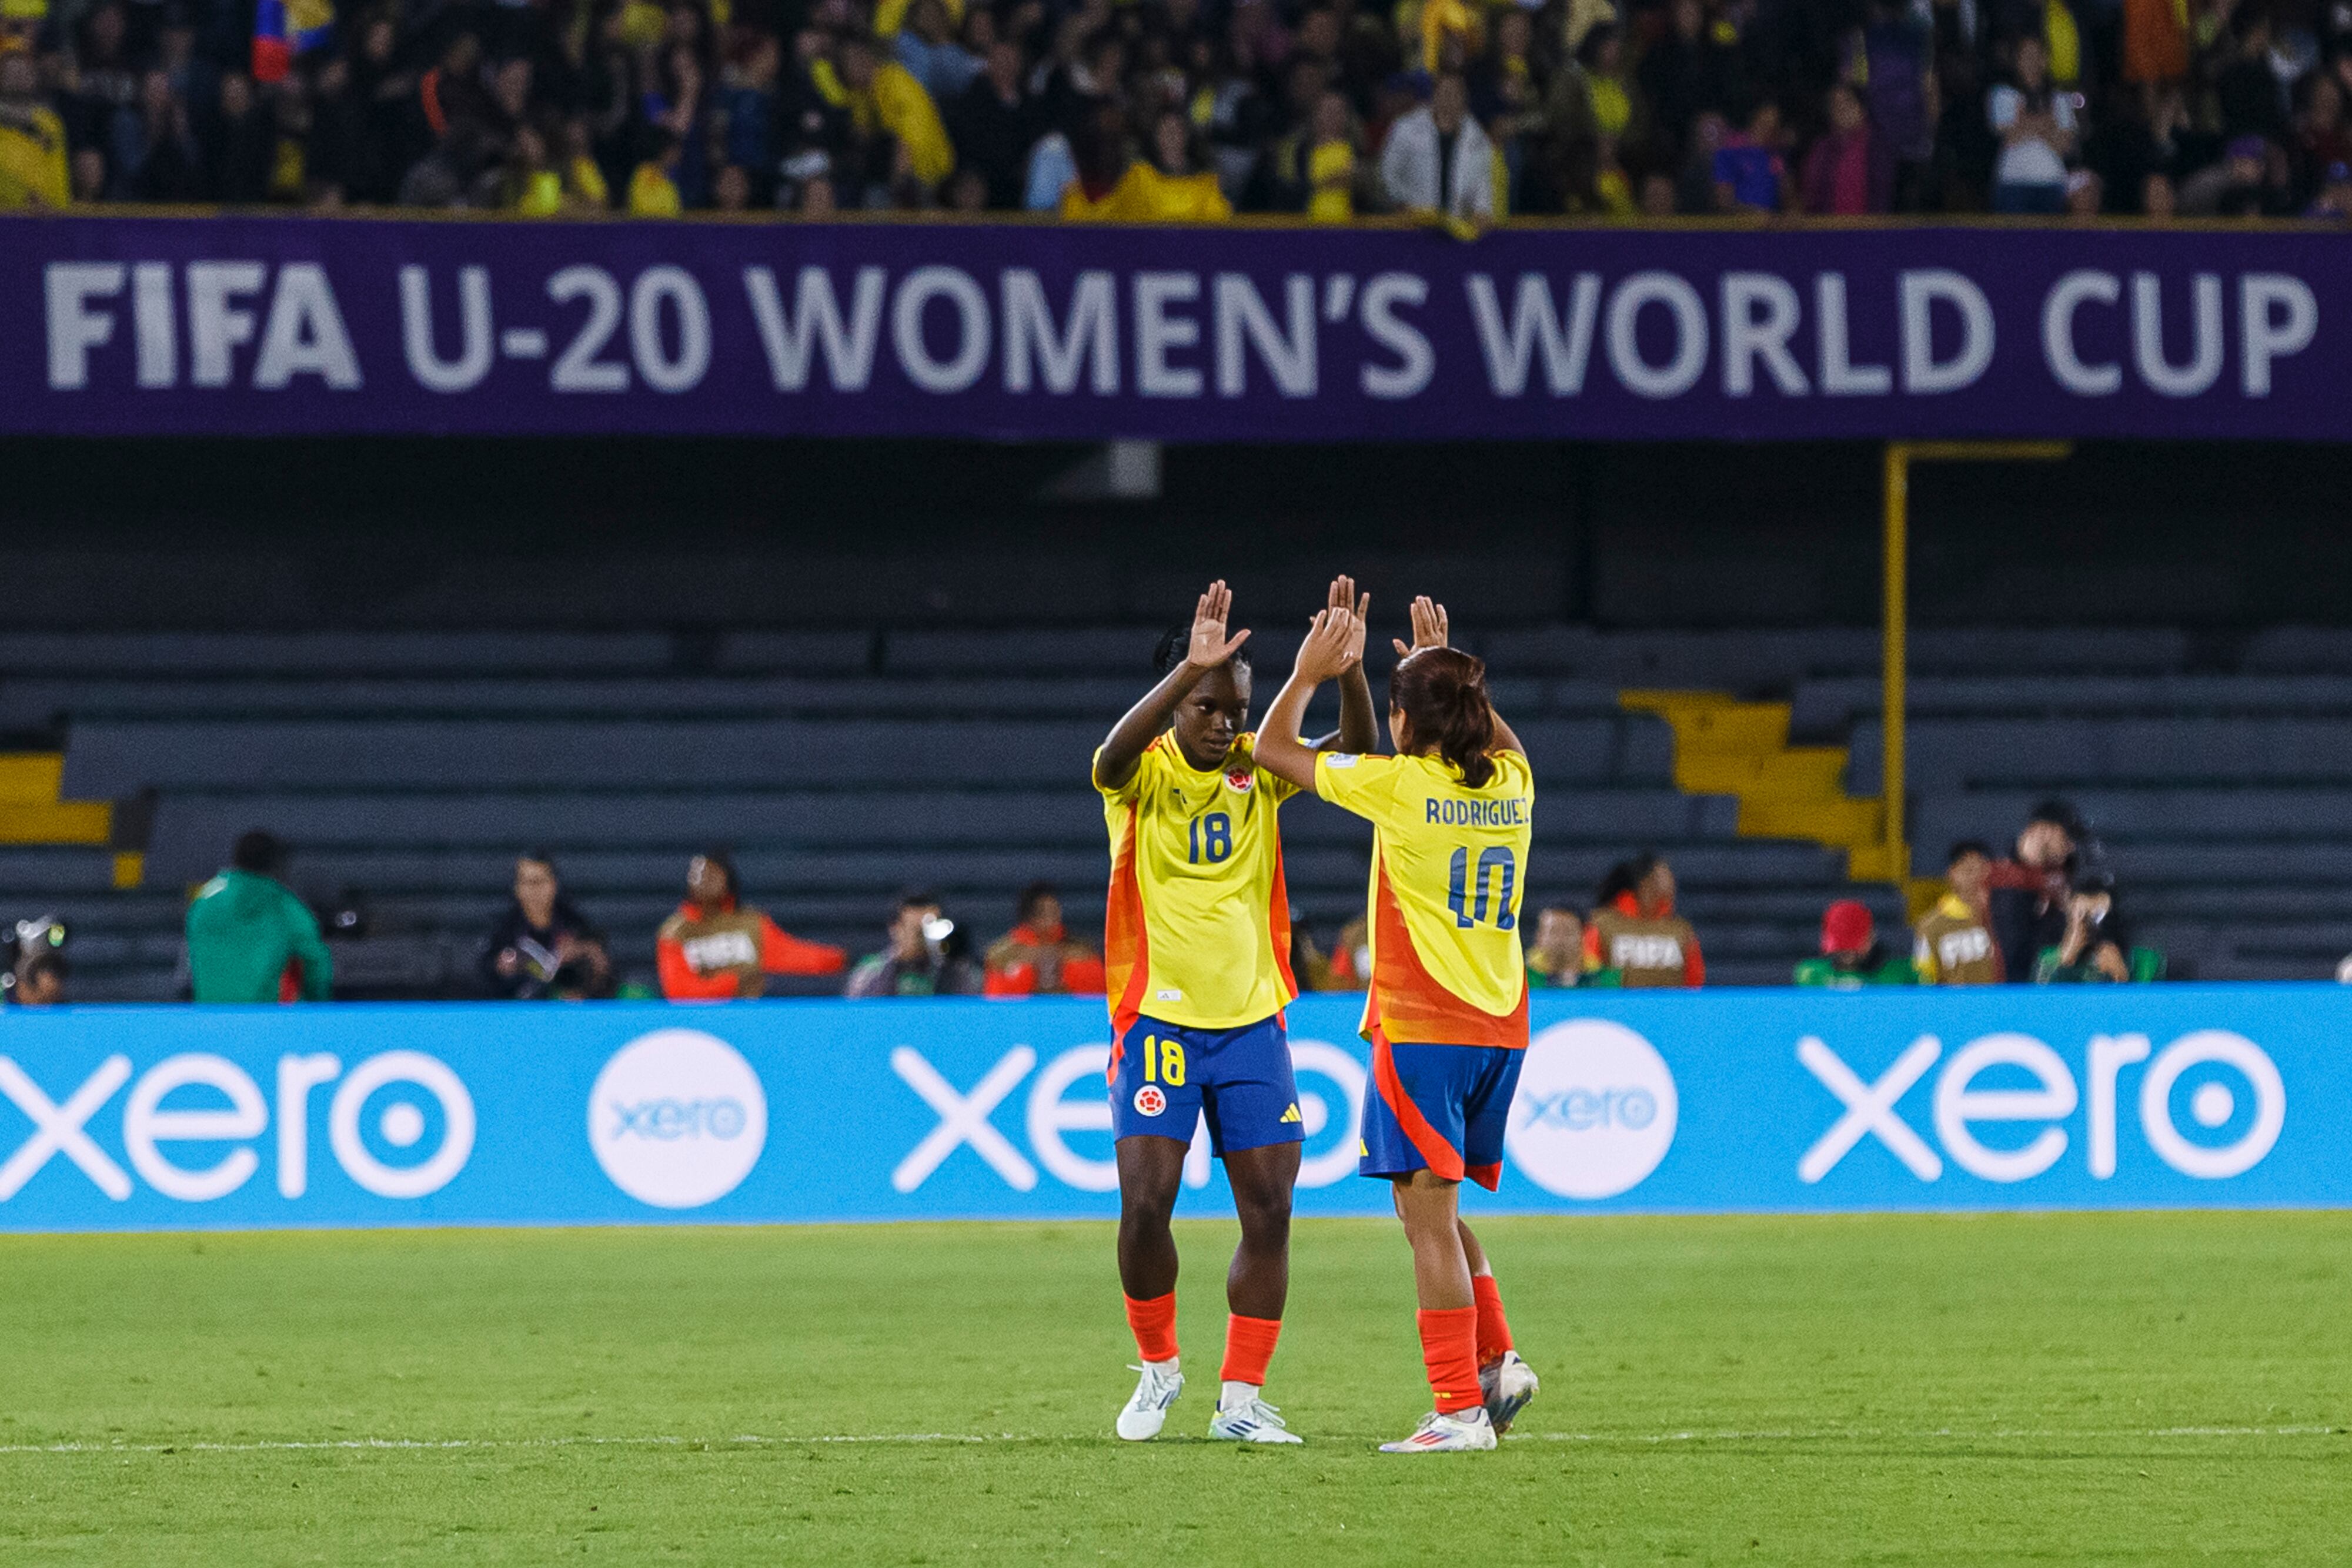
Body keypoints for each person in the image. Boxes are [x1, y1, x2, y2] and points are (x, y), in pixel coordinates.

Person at [1092, 576, 1377, 1446]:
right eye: (1210, 705)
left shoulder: (1261, 767)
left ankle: (1241, 1398)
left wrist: (1351, 674)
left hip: (1254, 1024)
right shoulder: (1142, 774)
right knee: (1147, 1203)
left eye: (1236, 708)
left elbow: (1362, 756)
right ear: (1181, 699)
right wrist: (1186, 670)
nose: (1225, 723)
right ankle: (1158, 1366)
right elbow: (1106, 757)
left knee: (1272, 1209)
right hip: (1159, 1023)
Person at [1254, 594, 1539, 1455]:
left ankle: (1458, 1408)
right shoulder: (1514, 786)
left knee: (1424, 1218)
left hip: (1425, 1025)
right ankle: (1496, 1362)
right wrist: (1447, 666)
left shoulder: (1401, 785)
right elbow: (1504, 743)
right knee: (1440, 1211)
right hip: (1500, 1022)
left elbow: (1272, 752)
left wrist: (1310, 671)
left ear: (1410, 717)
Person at [655, 850, 845, 999]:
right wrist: (737, 982)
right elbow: (680, 991)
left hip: (752, 1015)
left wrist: (840, 957)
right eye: (697, 875)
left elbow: (794, 956)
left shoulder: (749, 922)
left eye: (712, 874)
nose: (704, 881)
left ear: (728, 879)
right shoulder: (675, 932)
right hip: (702, 1023)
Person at [186, 830, 333, 1003]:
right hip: (267, 1021)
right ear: (278, 864)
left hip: (211, 1020)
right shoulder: (285, 906)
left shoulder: (204, 901)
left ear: (236, 859)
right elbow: (316, 961)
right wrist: (318, 1007)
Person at [480, 852, 612, 999]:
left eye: (540, 881)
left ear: (554, 884)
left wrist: (588, 956)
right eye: (527, 882)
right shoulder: (502, 931)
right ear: (517, 888)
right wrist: (502, 970)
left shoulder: (576, 925)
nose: (534, 890)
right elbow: (486, 979)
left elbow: (604, 974)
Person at [1381, 73, 1495, 220]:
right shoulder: (1406, 128)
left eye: (1456, 94)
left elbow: (1482, 182)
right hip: (1414, 222)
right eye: (1445, 92)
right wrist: (1402, 203)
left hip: (1457, 225)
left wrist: (1482, 211)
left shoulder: (1477, 137)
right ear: (1434, 95)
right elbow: (1388, 172)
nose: (1449, 99)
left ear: (1464, 99)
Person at [1989, 801, 2079, 984]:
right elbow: (2014, 954)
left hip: (2058, 982)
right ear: (2042, 832)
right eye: (2066, 836)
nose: (2071, 846)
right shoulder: (2006, 878)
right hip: (2019, 990)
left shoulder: (2066, 873)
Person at [1584, 854, 1702, 987]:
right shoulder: (1603, 924)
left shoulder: (1680, 929)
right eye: (1665, 874)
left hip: (1669, 1006)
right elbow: (1590, 969)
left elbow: (1694, 978)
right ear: (1646, 881)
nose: (1673, 881)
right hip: (1619, 1005)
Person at [846, 891, 981, 997]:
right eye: (917, 931)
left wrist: (951, 968)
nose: (924, 938)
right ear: (895, 928)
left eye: (930, 929)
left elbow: (972, 1006)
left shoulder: (959, 970)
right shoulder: (872, 971)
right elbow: (857, 1012)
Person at [983, 882, 1105, 996]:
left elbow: (1097, 993)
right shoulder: (1001, 954)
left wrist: (1064, 965)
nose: (1053, 919)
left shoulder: (1081, 950)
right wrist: (1029, 965)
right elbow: (996, 999)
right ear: (1029, 918)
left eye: (1055, 911)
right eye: (1043, 914)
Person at [1913, 840, 2003, 984]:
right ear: (1952, 874)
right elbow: (1926, 978)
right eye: (1968, 870)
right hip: (1955, 1005)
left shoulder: (2007, 915)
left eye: (1982, 870)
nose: (1976, 877)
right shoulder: (1931, 925)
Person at [1793, 900, 1916, 987]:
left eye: (1853, 944)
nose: (1847, 952)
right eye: (1840, 945)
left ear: (1871, 937)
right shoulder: (1811, 975)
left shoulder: (1901, 974)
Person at [2033, 880, 2130, 982]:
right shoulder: (2048, 957)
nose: (2089, 923)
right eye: (2081, 914)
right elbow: (2035, 996)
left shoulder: (2142, 960)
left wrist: (2122, 978)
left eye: (2098, 915)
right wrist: (2066, 959)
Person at [1525, 905, 1589, 988]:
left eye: (1568, 932)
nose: (1561, 938)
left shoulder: (1601, 978)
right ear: (1539, 937)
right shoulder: (1523, 979)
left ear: (1582, 937)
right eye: (1554, 931)